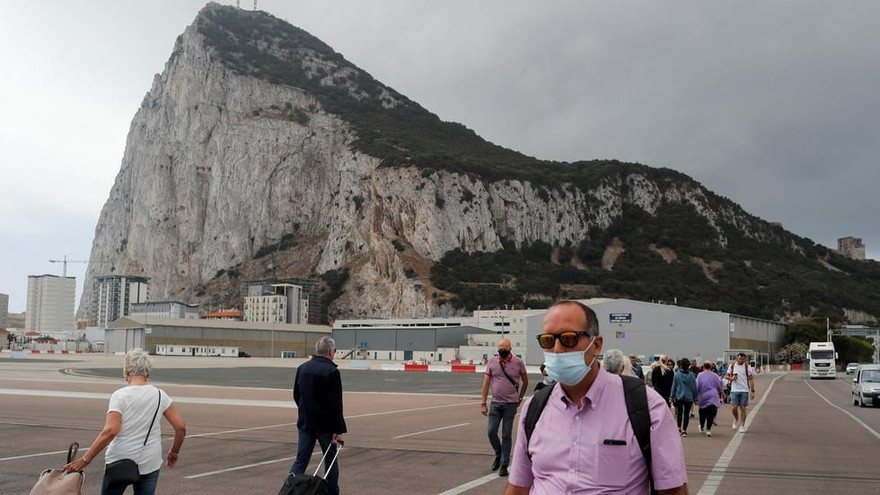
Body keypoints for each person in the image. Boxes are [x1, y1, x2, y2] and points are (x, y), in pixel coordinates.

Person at [505, 301, 688, 494]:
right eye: (548, 341)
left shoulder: (647, 406)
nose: (557, 349)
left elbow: (673, 490)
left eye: (568, 338)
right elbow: (518, 487)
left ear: (596, 345)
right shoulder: (535, 407)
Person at [64, 348, 186, 495]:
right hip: (149, 462)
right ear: (148, 373)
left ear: (126, 371)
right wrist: (174, 452)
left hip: (119, 461)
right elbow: (180, 427)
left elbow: (110, 431)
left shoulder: (119, 396)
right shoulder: (161, 395)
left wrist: (85, 459)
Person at [290, 337, 347, 495]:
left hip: (305, 422)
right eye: (334, 351)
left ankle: (289, 488)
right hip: (325, 426)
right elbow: (335, 404)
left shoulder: (303, 368)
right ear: (330, 351)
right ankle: (332, 492)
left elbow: (297, 395)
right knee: (330, 461)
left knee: (301, 460)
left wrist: (305, 410)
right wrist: (337, 429)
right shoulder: (332, 372)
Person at [481, 338, 528, 477]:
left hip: (510, 404)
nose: (501, 352)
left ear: (510, 349)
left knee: (506, 435)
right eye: (499, 350)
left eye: (504, 350)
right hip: (495, 403)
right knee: (491, 432)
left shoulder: (518, 363)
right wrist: (483, 403)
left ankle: (504, 464)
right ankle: (499, 453)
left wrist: (520, 397)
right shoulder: (492, 362)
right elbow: (486, 383)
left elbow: (525, 381)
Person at [726, 352, 756, 433]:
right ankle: (736, 419)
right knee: (734, 407)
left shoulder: (747, 367)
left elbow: (751, 379)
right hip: (734, 390)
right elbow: (726, 376)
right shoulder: (732, 365)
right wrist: (731, 378)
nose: (741, 360)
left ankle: (742, 425)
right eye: (739, 358)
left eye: (742, 359)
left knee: (743, 408)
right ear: (737, 358)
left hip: (744, 390)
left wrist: (752, 391)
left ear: (745, 359)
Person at [670, 357, 697, 437]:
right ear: (688, 365)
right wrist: (696, 398)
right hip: (689, 397)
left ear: (680, 365)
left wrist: (672, 395)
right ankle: (684, 430)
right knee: (686, 414)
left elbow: (674, 386)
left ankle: (678, 428)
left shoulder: (677, 374)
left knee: (679, 413)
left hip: (679, 396)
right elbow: (694, 387)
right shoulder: (692, 375)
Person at [696, 361, 723, 437]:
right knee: (711, 413)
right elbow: (719, 385)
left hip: (703, 396)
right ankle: (708, 429)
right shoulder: (715, 375)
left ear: (703, 367)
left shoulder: (700, 375)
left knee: (702, 413)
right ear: (711, 367)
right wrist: (720, 392)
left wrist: (696, 395)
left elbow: (697, 386)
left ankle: (701, 426)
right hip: (713, 396)